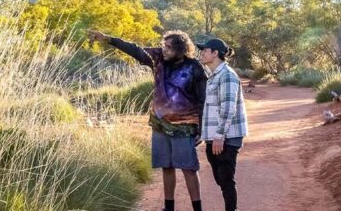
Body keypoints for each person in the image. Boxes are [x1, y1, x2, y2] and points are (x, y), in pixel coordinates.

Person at [88, 29, 208, 211]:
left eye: (168, 47)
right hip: (159, 124)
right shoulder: (158, 58)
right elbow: (134, 49)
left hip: (184, 126)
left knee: (189, 169)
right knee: (166, 166)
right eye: (163, 45)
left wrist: (201, 128)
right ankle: (169, 207)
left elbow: (203, 99)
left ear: (180, 48)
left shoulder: (195, 67)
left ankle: (197, 208)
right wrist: (109, 39)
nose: (164, 49)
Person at [197, 38, 248, 211]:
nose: (202, 53)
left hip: (227, 137)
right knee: (221, 179)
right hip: (215, 137)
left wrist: (219, 136)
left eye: (205, 50)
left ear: (215, 53)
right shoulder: (214, 76)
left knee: (226, 180)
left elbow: (228, 108)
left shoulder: (227, 75)